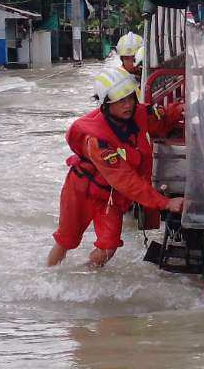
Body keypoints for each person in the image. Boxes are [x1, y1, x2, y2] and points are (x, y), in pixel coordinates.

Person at [47, 66, 182, 268]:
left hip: (109, 196)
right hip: (81, 191)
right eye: (120, 101)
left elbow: (159, 119)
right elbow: (125, 179)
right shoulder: (96, 140)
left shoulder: (139, 113)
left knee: (109, 246)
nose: (127, 105)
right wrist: (164, 202)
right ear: (106, 105)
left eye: (129, 98)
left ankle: (85, 276)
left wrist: (180, 109)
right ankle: (49, 274)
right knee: (66, 239)